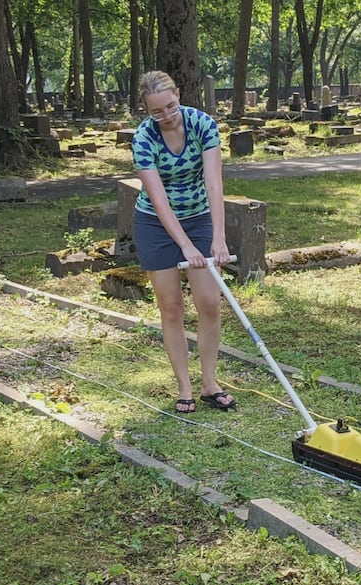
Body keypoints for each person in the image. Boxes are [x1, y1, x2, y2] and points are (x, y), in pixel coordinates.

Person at [131, 70, 235, 414]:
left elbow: (214, 183)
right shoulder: (143, 139)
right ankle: (185, 387)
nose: (166, 116)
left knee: (209, 302)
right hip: (155, 224)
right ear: (148, 111)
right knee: (172, 306)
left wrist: (216, 238)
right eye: (157, 112)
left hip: (200, 217)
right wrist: (185, 245)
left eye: (171, 106)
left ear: (178, 94)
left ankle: (209, 383)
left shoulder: (203, 124)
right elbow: (158, 199)